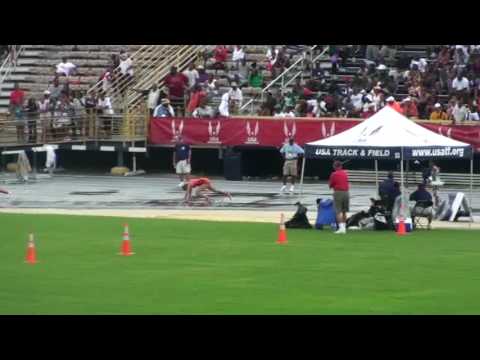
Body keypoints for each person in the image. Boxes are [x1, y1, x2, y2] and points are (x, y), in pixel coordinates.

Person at [329, 160, 350, 234]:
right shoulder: (345, 173)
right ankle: (344, 227)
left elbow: (331, 185)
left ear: (334, 166)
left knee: (338, 211)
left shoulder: (334, 174)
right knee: (344, 211)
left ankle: (341, 228)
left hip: (338, 192)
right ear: (341, 166)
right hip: (346, 193)